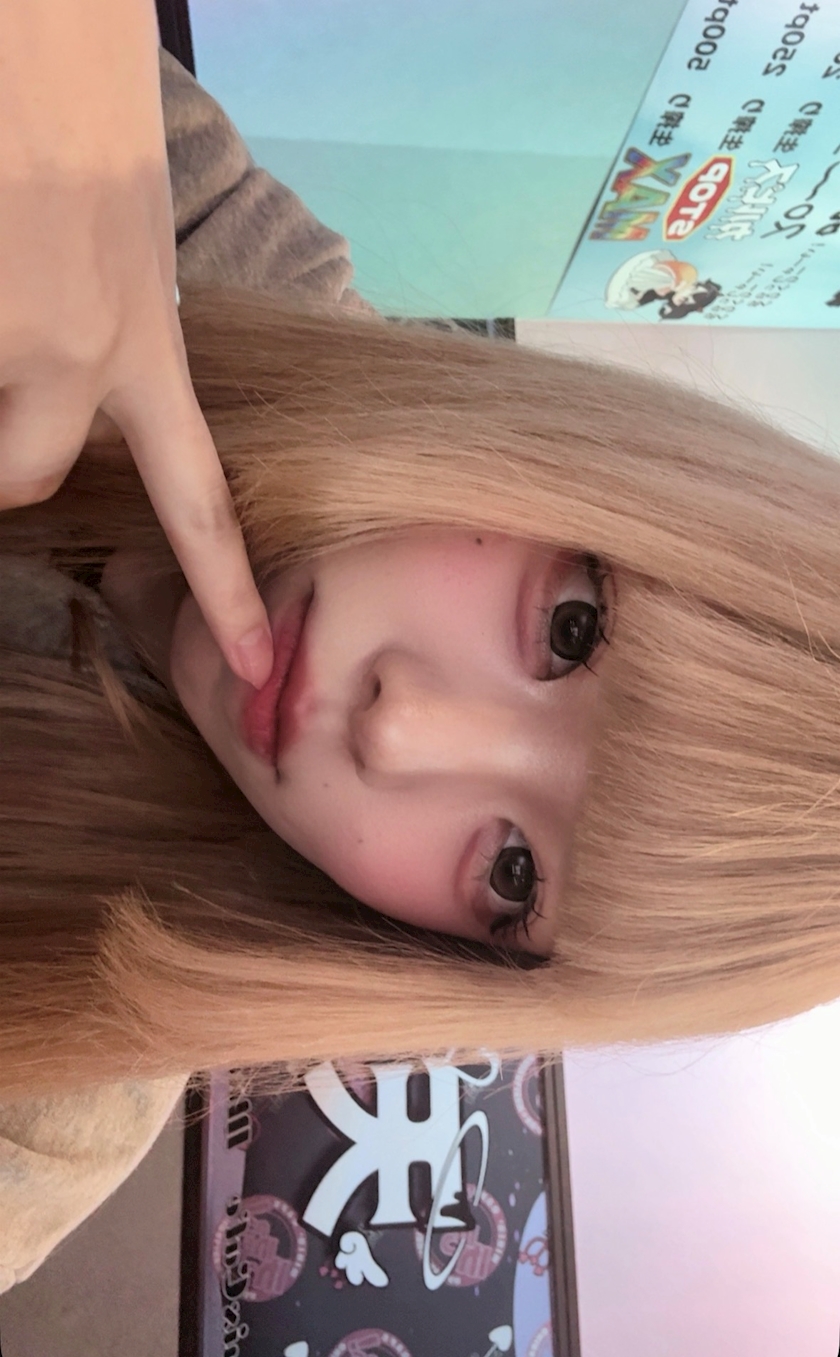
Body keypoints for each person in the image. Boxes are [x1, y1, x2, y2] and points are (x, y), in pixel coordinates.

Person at [4, 44, 840, 1296]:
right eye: (571, 630)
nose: (400, 731)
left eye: (513, 875)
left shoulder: (45, 1086)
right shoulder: (248, 286)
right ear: (586, 467)